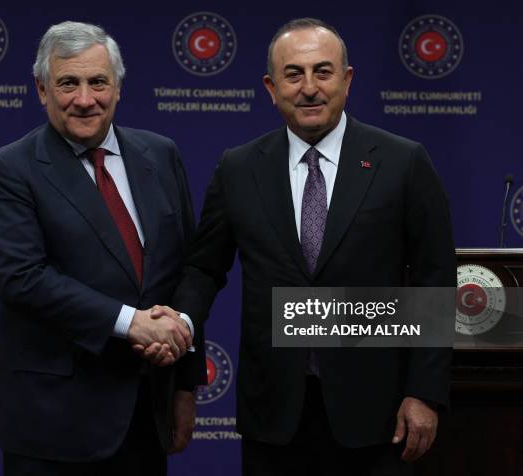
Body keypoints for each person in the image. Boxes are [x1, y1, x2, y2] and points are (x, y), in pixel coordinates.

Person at [165, 17, 456, 476]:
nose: (309, 88)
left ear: (347, 79)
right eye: (294, 74)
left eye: (323, 72)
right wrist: (179, 322)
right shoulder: (238, 168)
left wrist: (425, 392)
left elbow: (435, 281)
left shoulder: (403, 162)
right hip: (274, 416)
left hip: (378, 416)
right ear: (270, 86)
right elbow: (204, 269)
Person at [0, 21, 204, 476]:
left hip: (145, 412)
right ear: (42, 90)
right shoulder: (9, 169)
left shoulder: (160, 154)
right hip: (54, 422)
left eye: (98, 82)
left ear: (117, 87)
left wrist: (184, 387)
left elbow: (188, 269)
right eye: (68, 83)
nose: (85, 99)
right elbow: (22, 278)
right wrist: (132, 324)